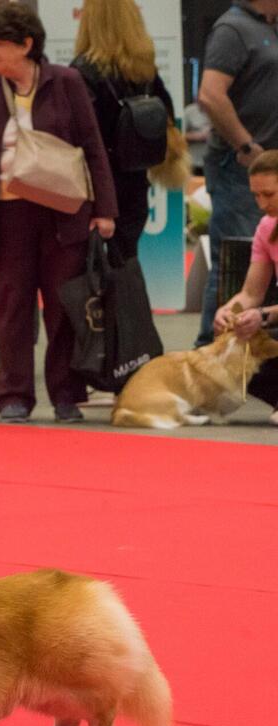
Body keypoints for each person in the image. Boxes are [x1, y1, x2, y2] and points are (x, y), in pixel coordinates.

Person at [0, 3, 117, 423]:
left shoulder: (66, 82)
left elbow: (93, 147)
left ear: (26, 44)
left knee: (64, 306)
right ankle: (13, 394)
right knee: (11, 308)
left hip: (63, 215)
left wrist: (105, 209)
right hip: (7, 218)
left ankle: (66, 393)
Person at [196, 0, 278, 347]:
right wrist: (246, 147)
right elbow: (211, 95)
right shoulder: (232, 29)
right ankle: (209, 350)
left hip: (268, 169)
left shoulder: (269, 27)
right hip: (243, 170)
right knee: (232, 264)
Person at [71, 0, 175, 261]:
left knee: (89, 276)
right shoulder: (145, 71)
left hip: (96, 190)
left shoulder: (83, 72)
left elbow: (79, 137)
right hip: (136, 183)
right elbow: (167, 115)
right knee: (126, 267)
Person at [213, 149, 278, 424]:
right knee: (228, 353)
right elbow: (251, 293)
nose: (261, 204)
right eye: (255, 195)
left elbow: (261, 309)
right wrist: (227, 311)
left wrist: (263, 316)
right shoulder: (266, 228)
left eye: (269, 195)